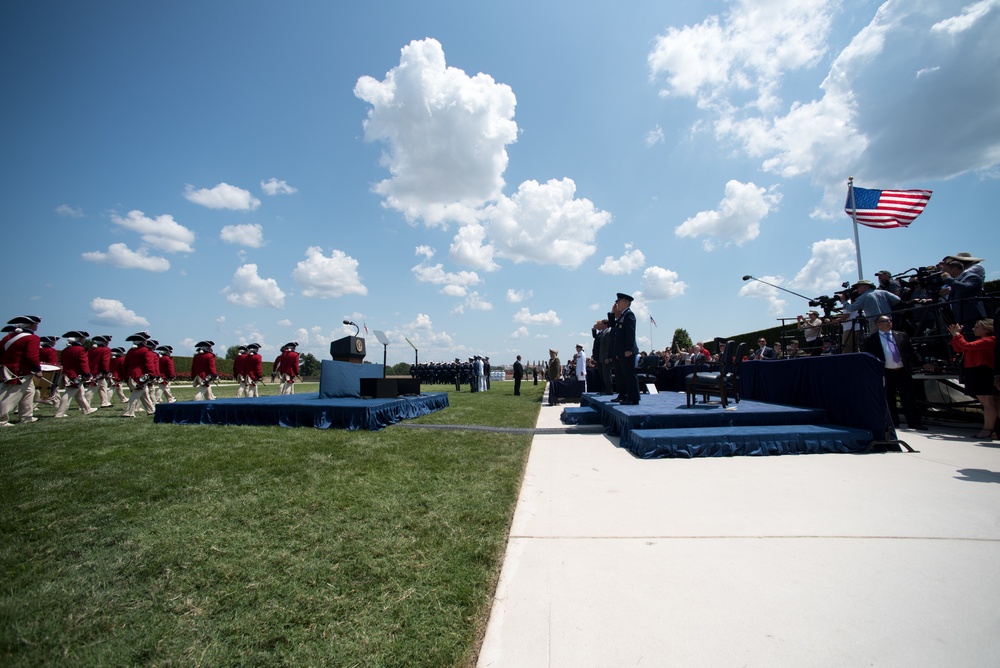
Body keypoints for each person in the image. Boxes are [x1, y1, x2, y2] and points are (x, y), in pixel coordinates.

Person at [863, 315, 927, 431]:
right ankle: (894, 423)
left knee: (909, 398)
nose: (889, 322)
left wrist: (923, 363)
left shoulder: (901, 335)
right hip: (886, 372)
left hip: (902, 371)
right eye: (885, 321)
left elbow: (911, 351)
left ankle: (914, 422)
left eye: (889, 320)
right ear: (878, 324)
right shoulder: (872, 339)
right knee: (889, 398)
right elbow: (868, 357)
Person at [947, 319, 997, 439]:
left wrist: (958, 335)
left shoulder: (990, 340)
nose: (973, 329)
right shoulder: (980, 341)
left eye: (977, 327)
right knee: (991, 402)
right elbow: (959, 349)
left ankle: (988, 429)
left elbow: (966, 346)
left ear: (985, 329)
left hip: (982, 372)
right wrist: (955, 336)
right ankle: (993, 428)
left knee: (988, 403)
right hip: (975, 372)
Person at [0, 315, 43, 426]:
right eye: (36, 324)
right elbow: (31, 356)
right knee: (11, 395)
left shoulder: (8, 337)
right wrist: (37, 369)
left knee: (29, 392)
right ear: (31, 325)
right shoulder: (32, 338)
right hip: (20, 370)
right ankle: (2, 419)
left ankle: (26, 416)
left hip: (7, 369)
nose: (37, 326)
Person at [941, 253, 986, 338]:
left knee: (973, 340)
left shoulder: (972, 276)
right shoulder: (957, 280)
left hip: (971, 316)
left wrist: (948, 279)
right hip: (961, 317)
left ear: (954, 269)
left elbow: (965, 287)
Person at [54, 330, 97, 418]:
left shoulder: (66, 350)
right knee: (68, 393)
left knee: (80, 393)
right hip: (76, 375)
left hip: (68, 373)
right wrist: (87, 374)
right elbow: (83, 363)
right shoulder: (81, 349)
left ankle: (86, 409)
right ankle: (60, 413)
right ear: (80, 339)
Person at [612, 292, 640, 405]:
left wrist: (628, 349)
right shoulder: (622, 316)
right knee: (624, 374)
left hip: (627, 351)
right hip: (622, 351)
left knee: (630, 374)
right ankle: (627, 396)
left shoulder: (629, 315)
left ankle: (633, 398)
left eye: (619, 301)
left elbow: (630, 333)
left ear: (625, 302)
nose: (617, 303)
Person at [122, 334, 160, 417]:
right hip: (139, 375)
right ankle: (128, 412)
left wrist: (124, 375)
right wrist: (152, 374)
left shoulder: (130, 351)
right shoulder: (146, 350)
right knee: (136, 393)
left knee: (144, 393)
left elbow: (125, 364)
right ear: (143, 341)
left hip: (130, 374)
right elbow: (149, 364)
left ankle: (151, 410)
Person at [86, 335, 113, 408]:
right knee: (92, 389)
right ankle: (85, 404)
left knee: (103, 386)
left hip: (92, 369)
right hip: (99, 371)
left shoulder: (91, 349)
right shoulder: (106, 349)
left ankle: (104, 402)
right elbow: (105, 361)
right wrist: (106, 371)